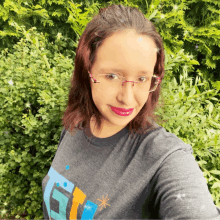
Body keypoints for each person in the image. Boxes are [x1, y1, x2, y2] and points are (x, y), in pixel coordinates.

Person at [42, 4, 220, 220]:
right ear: (87, 71)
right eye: (112, 76)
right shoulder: (76, 126)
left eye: (142, 78)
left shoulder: (164, 158)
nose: (127, 98)